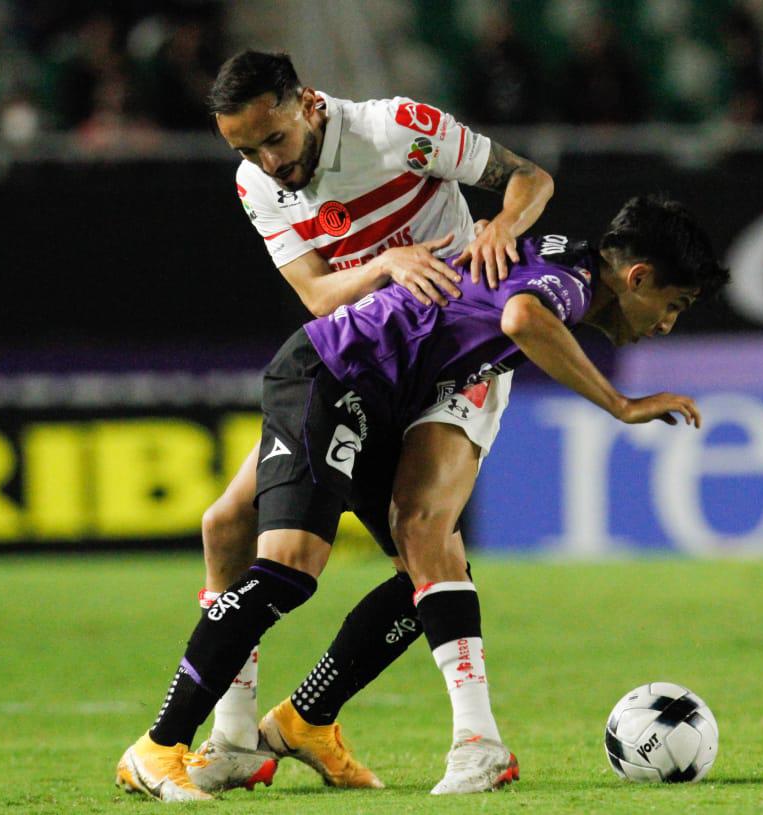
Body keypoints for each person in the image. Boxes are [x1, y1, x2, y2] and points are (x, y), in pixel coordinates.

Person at [115, 194, 729, 800]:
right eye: (671, 305)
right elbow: (521, 318)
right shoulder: (567, 286)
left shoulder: (561, 256)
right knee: (289, 568)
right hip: (334, 374)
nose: (666, 324)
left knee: (432, 574)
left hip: (377, 396)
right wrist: (622, 405)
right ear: (637, 277)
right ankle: (160, 747)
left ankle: (350, 727)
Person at [117, 49, 554, 797]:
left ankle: (477, 739)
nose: (265, 161)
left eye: (272, 139)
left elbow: (528, 177)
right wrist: (387, 265)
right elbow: (319, 295)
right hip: (363, 363)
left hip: (452, 360)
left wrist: (500, 228)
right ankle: (238, 737)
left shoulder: (400, 131)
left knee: (421, 531)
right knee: (225, 524)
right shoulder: (255, 182)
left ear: (308, 104)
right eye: (244, 148)